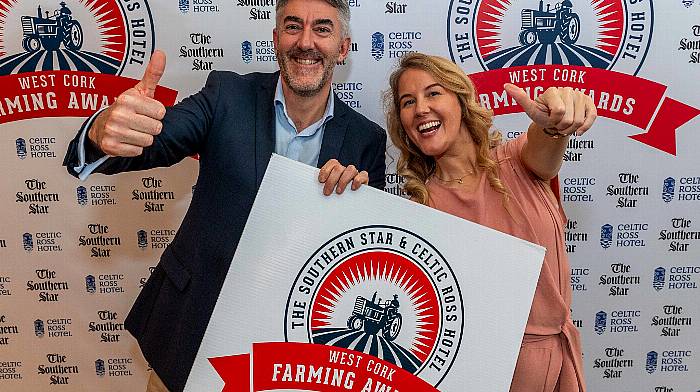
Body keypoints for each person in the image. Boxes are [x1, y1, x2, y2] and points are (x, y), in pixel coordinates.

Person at [62, 0, 386, 390]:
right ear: (275, 39)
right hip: (193, 329)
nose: (305, 42)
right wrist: (103, 132)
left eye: (322, 29)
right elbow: (152, 141)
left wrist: (353, 202)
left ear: (343, 47)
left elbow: (367, 255)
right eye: (292, 26)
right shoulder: (227, 95)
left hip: (294, 350)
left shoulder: (366, 139)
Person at [384, 53, 595, 391]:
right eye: (408, 102)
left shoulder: (519, 161)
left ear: (462, 101)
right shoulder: (418, 212)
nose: (420, 107)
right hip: (480, 374)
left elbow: (545, 140)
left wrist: (554, 122)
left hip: (558, 368)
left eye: (433, 93)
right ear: (404, 126)